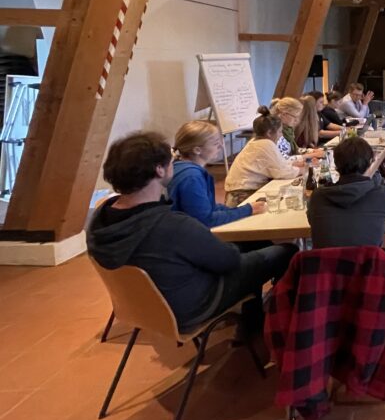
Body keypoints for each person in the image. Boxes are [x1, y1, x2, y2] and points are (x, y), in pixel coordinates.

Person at [88, 132, 296, 336]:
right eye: (171, 161)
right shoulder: (172, 225)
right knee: (286, 251)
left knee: (250, 246)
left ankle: (253, 321)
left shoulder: (100, 219)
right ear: (159, 170)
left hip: (144, 305)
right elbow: (228, 261)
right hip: (193, 305)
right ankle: (281, 321)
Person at [306, 136, 385, 248]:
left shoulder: (317, 197)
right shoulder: (381, 194)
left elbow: (313, 222)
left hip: (327, 265)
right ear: (370, 163)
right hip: (367, 264)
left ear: (335, 165)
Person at [167, 120, 265, 227]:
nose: (221, 146)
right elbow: (206, 219)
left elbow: (210, 208)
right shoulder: (191, 177)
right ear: (197, 150)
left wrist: (243, 209)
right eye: (215, 143)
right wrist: (247, 210)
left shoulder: (180, 167)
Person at [224, 109, 304, 207]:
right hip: (240, 195)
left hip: (238, 192)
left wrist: (294, 164)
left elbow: (278, 163)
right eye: (279, 132)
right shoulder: (266, 144)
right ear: (269, 133)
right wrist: (302, 170)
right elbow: (282, 172)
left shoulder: (256, 141)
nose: (281, 135)